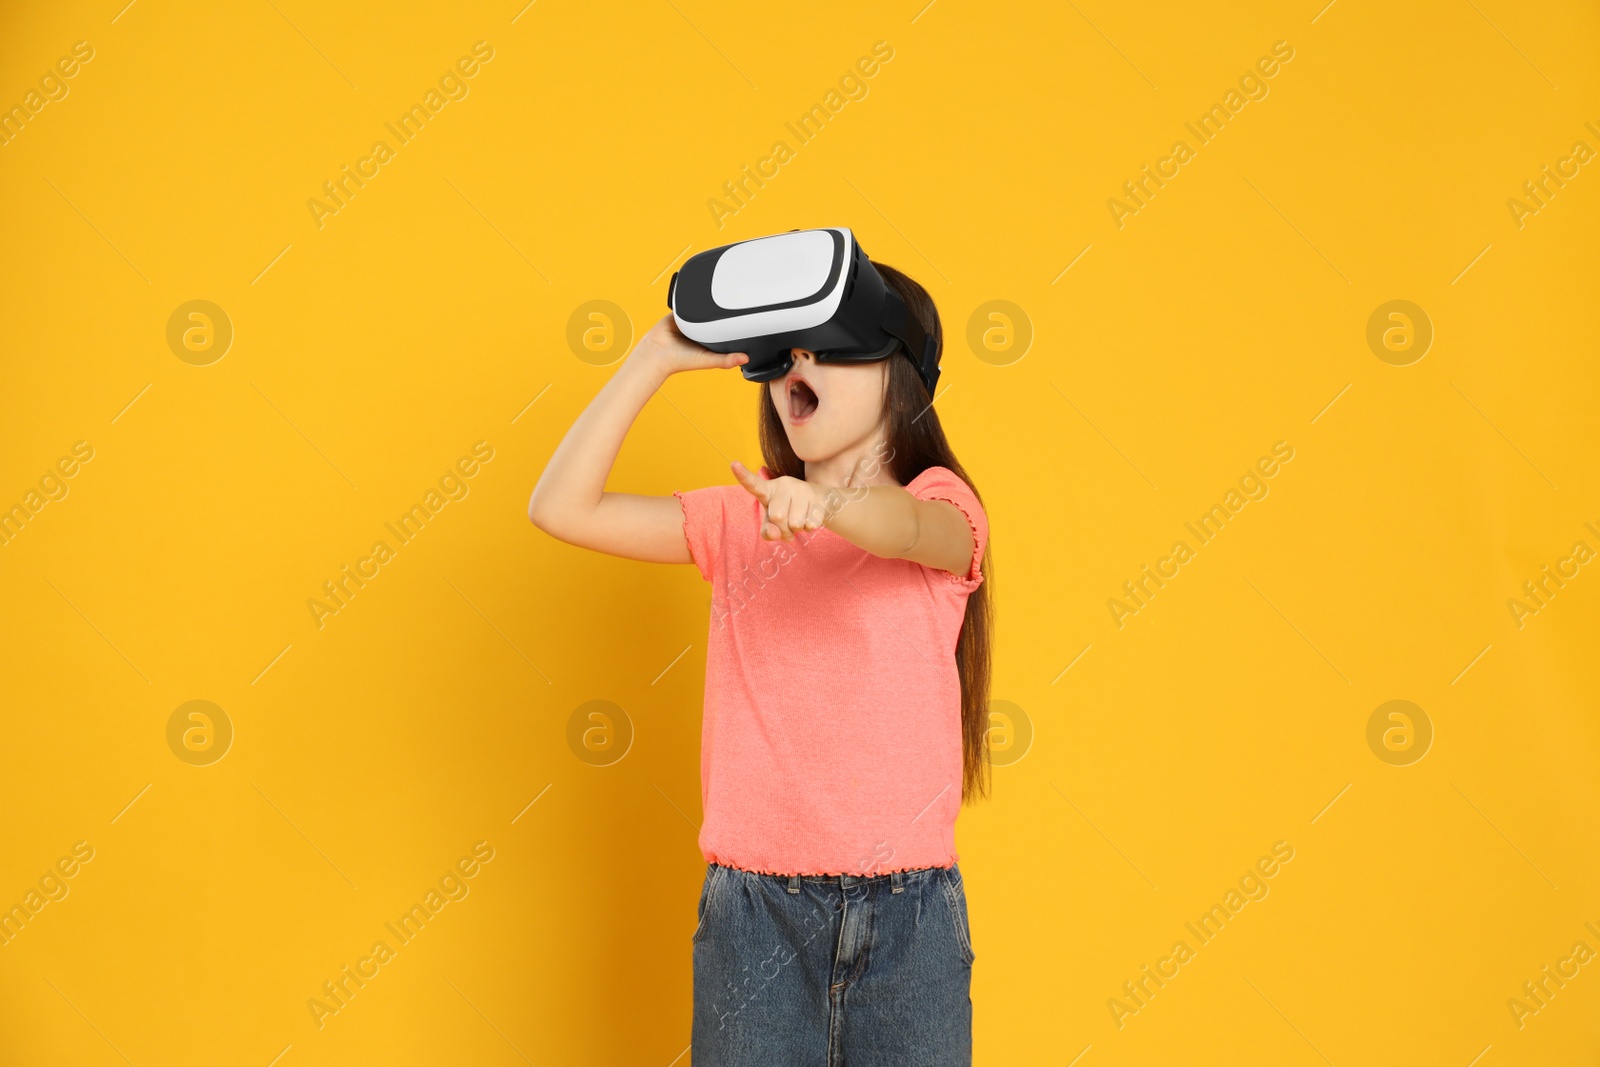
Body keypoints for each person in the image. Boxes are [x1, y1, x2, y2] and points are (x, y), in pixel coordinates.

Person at [528, 260, 994, 1065]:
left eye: (830, 347)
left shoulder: (945, 506)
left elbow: (910, 529)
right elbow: (559, 506)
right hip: (755, 921)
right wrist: (655, 359)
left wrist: (829, 506)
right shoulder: (739, 523)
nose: (797, 367)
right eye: (786, 352)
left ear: (901, 375)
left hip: (911, 919)